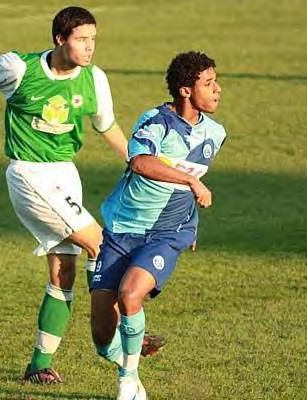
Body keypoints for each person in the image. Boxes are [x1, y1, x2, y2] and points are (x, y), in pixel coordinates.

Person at [0, 6, 164, 384]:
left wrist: (139, 163)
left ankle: (38, 365)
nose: (89, 47)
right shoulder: (19, 68)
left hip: (66, 173)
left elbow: (108, 127)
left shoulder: (94, 79)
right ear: (60, 39)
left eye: (93, 40)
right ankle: (119, 334)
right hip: (28, 173)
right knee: (101, 243)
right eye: (82, 39)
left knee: (63, 271)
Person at [89, 51, 226, 399]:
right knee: (103, 338)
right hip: (122, 230)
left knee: (130, 294)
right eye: (208, 84)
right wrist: (191, 182)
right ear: (185, 90)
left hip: (166, 235)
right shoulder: (155, 121)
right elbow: (140, 162)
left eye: (215, 82)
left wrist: (189, 223)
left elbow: (182, 191)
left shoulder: (215, 134)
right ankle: (127, 369)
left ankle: (127, 384)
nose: (217, 89)